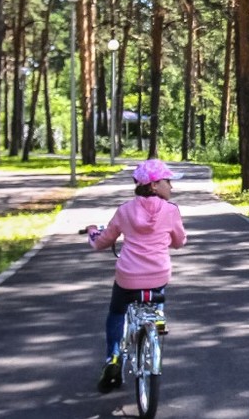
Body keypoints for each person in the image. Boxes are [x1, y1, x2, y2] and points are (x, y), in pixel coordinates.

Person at [86, 159, 188, 393]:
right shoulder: (172, 211)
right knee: (156, 295)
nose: (171, 186)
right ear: (153, 185)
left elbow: (103, 241)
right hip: (158, 275)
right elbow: (180, 241)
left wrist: (92, 231)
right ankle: (157, 319)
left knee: (116, 312)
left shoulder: (125, 210)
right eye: (168, 181)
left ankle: (113, 356)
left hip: (128, 276)